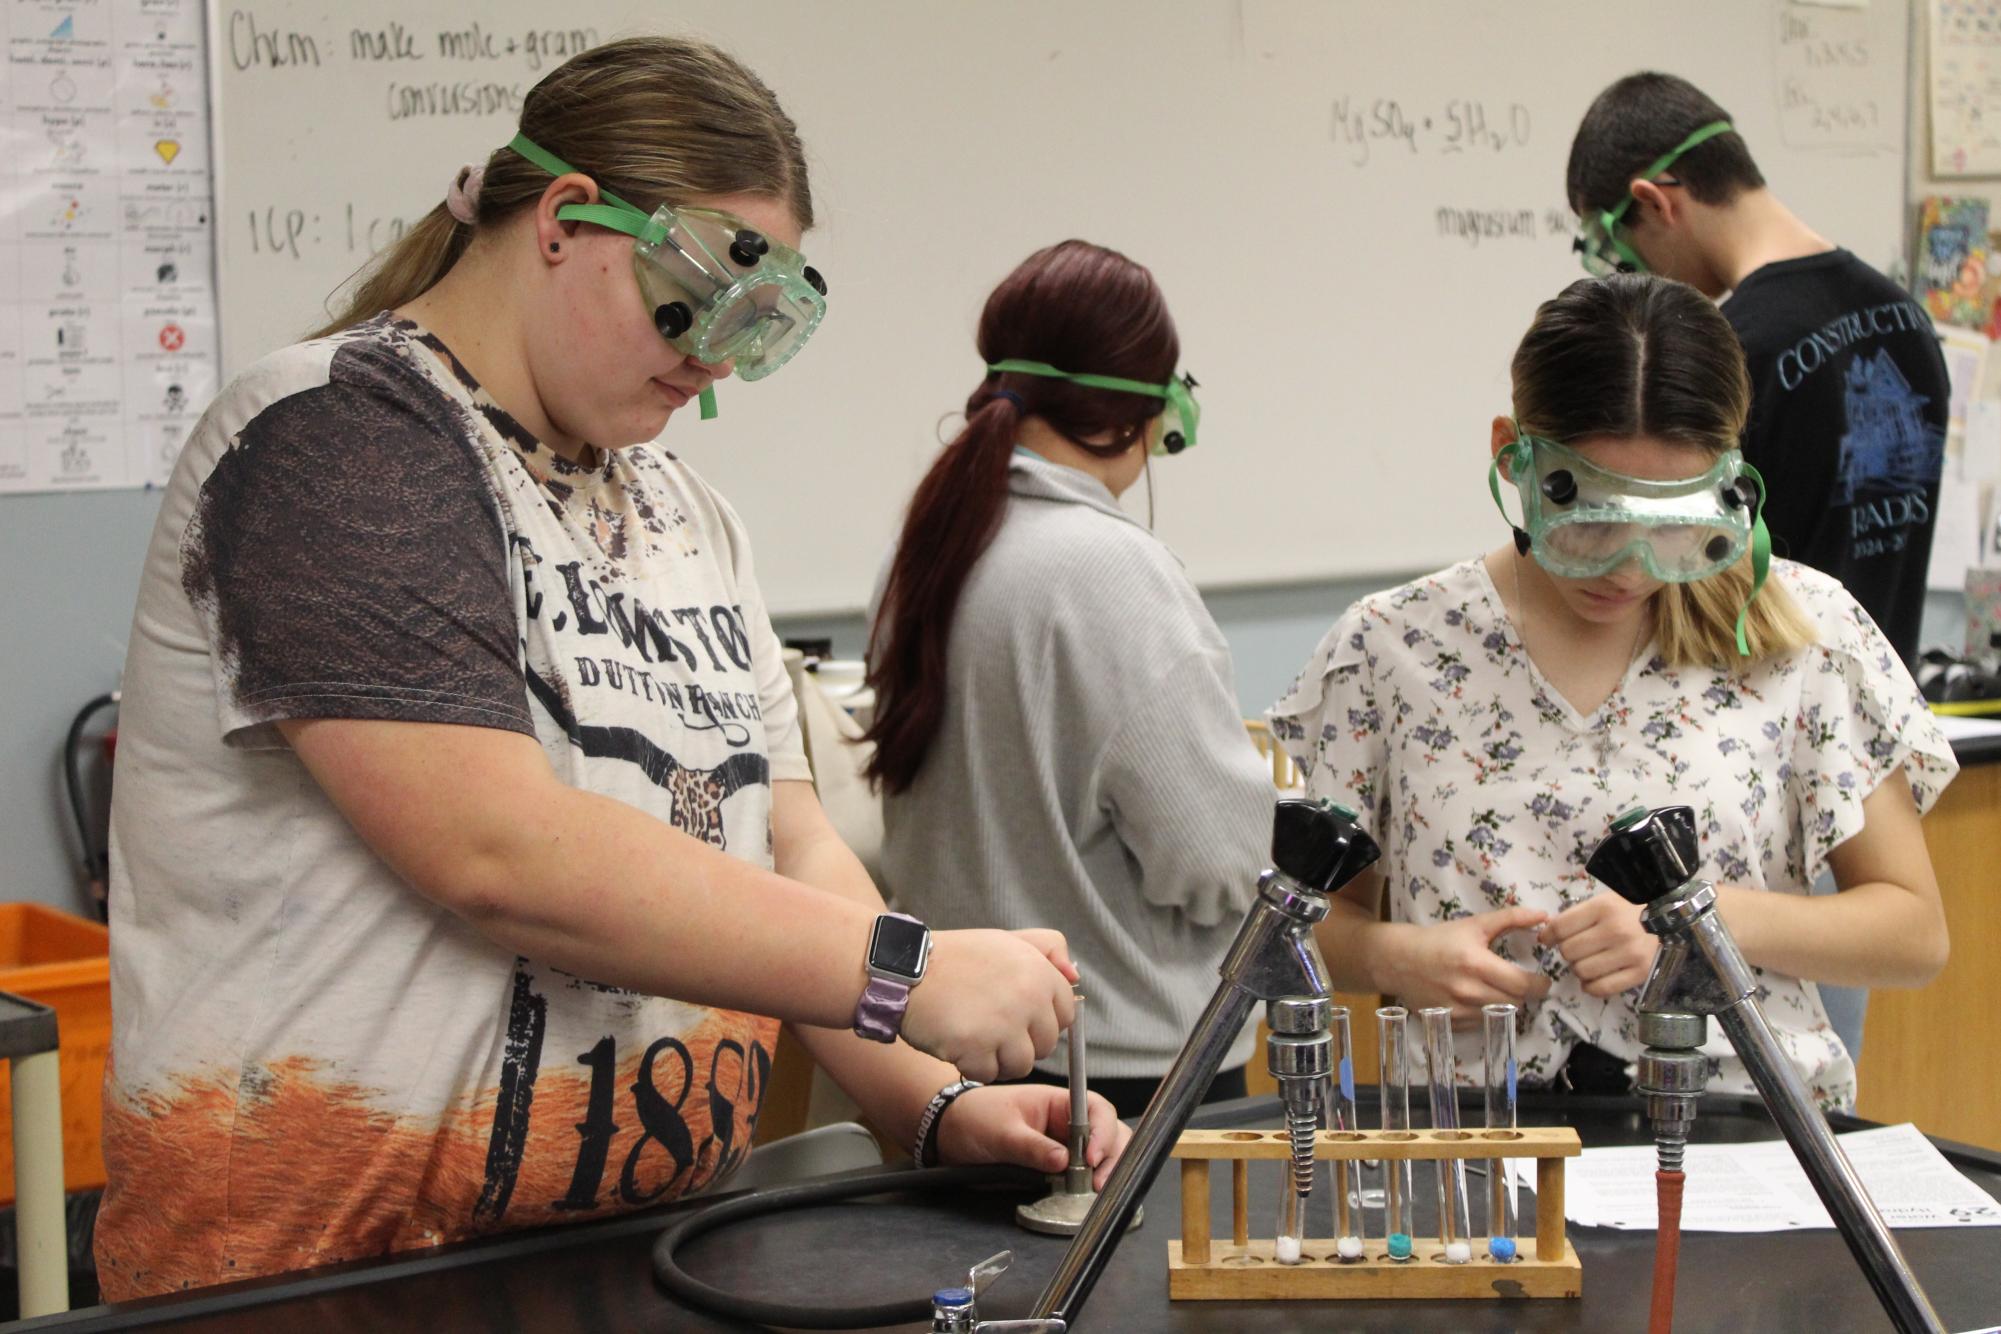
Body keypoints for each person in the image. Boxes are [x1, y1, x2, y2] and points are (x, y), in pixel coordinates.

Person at [97, 38, 1125, 1300]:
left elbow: (782, 847)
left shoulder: (687, 514)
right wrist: (907, 970)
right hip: (318, 1275)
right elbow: (498, 849)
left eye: (754, 327)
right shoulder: (337, 441)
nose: (710, 362)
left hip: (636, 1257)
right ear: (568, 219)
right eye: (693, 299)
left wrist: (929, 1100)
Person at [1269, 275, 1954, 1111]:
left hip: (1741, 1143)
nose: (1627, 567)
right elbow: (1310, 920)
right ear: (1509, 458)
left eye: (1671, 522)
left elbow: (1912, 934)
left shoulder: (1801, 634)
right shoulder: (1392, 648)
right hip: (1476, 1158)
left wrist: (1700, 923)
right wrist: (1388, 958)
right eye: (1589, 518)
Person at [863, 240, 1275, 1119]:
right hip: (1120, 1073)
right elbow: (1214, 861)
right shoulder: (1112, 572)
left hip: (948, 1059)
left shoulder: (932, 549)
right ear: (1146, 408)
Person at [1565, 71, 1949, 671]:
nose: (1630, 271)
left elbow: (1678, 578)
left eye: (1616, 247)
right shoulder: (1906, 319)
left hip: (1764, 719)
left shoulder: (1732, 350)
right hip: (1880, 709)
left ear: (1654, 202)